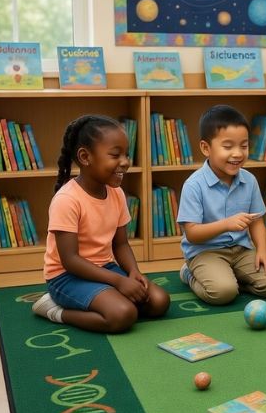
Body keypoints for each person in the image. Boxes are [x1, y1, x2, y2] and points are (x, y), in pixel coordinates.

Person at [32, 115, 170, 333]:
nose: (125, 162)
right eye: (115, 155)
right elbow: (70, 261)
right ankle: (54, 310)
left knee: (159, 301)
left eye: (126, 154)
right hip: (66, 277)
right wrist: (118, 281)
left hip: (105, 268)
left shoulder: (116, 193)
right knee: (123, 315)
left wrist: (133, 272)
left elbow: (121, 244)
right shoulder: (67, 200)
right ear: (85, 157)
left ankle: (106, 299)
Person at [177, 105, 266, 305]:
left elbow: (257, 221)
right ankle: (190, 275)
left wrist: (262, 251)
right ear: (206, 148)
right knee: (222, 293)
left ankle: (231, 280)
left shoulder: (249, 180)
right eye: (228, 147)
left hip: (241, 249)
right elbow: (191, 234)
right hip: (205, 252)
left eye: (244, 146)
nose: (237, 154)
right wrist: (226, 224)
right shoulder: (193, 185)